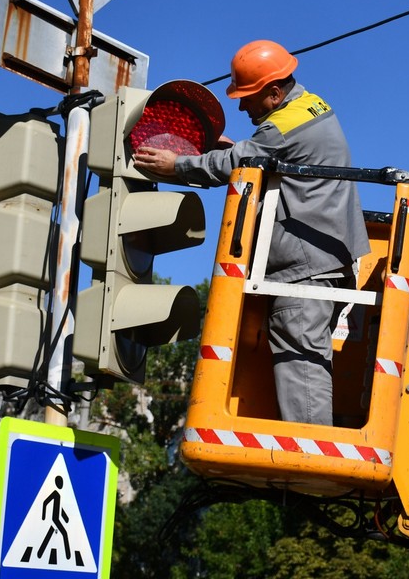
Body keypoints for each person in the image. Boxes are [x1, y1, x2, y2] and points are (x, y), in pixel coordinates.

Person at [133, 39, 370, 427]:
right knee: (304, 359)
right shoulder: (311, 106)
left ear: (274, 93)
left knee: (301, 366)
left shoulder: (284, 126)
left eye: (248, 97)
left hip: (304, 271)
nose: (241, 106)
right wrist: (241, 148)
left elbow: (239, 161)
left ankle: (308, 458)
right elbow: (261, 149)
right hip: (325, 262)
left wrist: (178, 165)